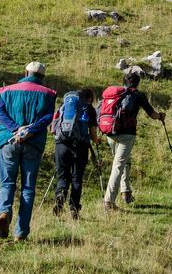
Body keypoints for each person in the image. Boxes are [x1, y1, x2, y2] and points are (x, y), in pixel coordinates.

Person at [0, 61, 57, 240]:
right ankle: (20, 233)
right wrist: (29, 131)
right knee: (28, 189)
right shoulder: (48, 94)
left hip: (8, 141)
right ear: (42, 76)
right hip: (33, 143)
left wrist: (15, 129)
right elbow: (47, 118)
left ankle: (4, 212)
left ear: (26, 72)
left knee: (7, 183)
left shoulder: (7, 90)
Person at [102, 67, 164, 210]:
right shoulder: (138, 95)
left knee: (125, 161)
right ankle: (109, 202)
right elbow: (152, 114)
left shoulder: (116, 94)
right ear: (137, 83)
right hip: (127, 135)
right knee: (118, 166)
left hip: (110, 133)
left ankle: (126, 192)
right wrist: (161, 116)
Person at [52, 87, 98, 220]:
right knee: (77, 179)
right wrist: (96, 140)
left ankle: (60, 195)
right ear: (89, 98)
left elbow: (52, 129)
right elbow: (94, 134)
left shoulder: (64, 105)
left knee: (62, 176)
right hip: (80, 147)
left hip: (61, 145)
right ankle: (74, 208)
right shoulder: (89, 108)